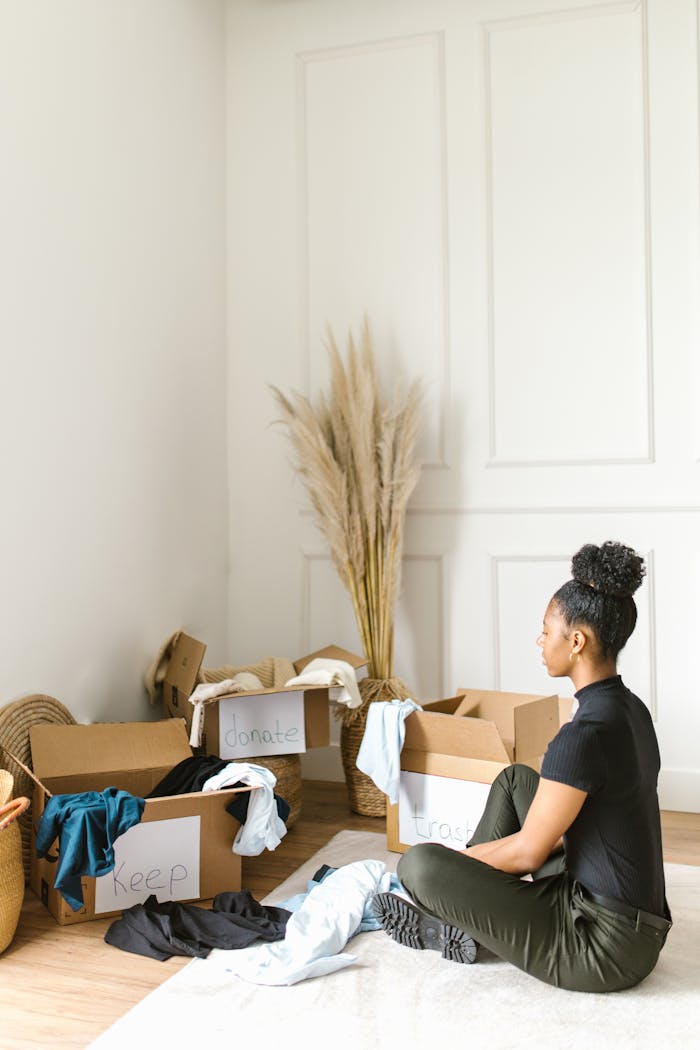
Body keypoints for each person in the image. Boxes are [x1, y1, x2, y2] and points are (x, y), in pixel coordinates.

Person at [373, 540, 672, 992]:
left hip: (602, 949)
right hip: (628, 920)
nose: (540, 640)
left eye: (546, 630)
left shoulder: (582, 735)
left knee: (417, 866)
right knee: (515, 780)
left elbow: (529, 853)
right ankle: (463, 909)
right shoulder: (631, 710)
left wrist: (455, 865)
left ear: (576, 642)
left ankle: (450, 914)